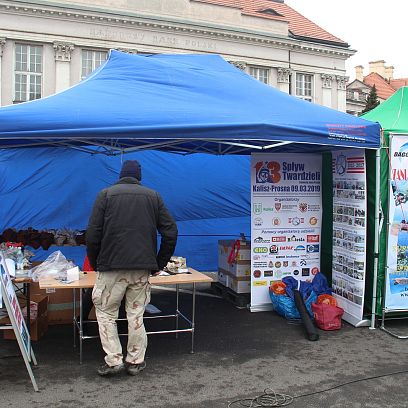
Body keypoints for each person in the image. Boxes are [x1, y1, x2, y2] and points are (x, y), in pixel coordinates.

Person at [86, 159, 178, 377]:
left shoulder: (105, 195)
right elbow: (171, 231)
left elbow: (92, 234)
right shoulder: (153, 196)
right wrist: (159, 263)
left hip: (111, 267)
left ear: (121, 175)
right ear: (139, 177)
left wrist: (96, 262)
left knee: (105, 312)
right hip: (141, 268)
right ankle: (135, 361)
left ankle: (113, 360)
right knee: (136, 314)